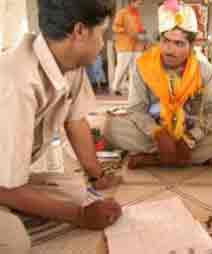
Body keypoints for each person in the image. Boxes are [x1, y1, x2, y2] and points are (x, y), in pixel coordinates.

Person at [0, 1, 123, 253]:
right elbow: (5, 187)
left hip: (7, 178)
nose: (102, 45)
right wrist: (79, 216)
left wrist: (97, 176)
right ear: (80, 31)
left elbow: (75, 121)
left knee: (77, 191)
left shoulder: (69, 65)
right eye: (101, 34)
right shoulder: (17, 82)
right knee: (14, 242)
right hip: (3, 183)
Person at [104, 2, 212, 169]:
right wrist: (157, 133)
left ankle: (156, 158)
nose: (170, 50)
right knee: (111, 128)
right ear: (160, 40)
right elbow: (136, 109)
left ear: (191, 46)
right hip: (153, 131)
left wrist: (191, 138)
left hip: (191, 133)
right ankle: (184, 157)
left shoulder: (205, 71)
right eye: (166, 41)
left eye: (179, 44)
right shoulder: (143, 66)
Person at [110, 0, 149, 96]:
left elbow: (138, 28)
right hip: (124, 45)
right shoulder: (122, 13)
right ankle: (115, 87)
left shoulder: (137, 14)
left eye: (140, 4)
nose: (139, 6)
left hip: (137, 45)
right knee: (122, 68)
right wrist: (127, 31)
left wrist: (142, 31)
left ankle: (133, 90)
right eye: (138, 3)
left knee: (135, 69)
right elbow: (115, 27)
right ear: (131, 2)